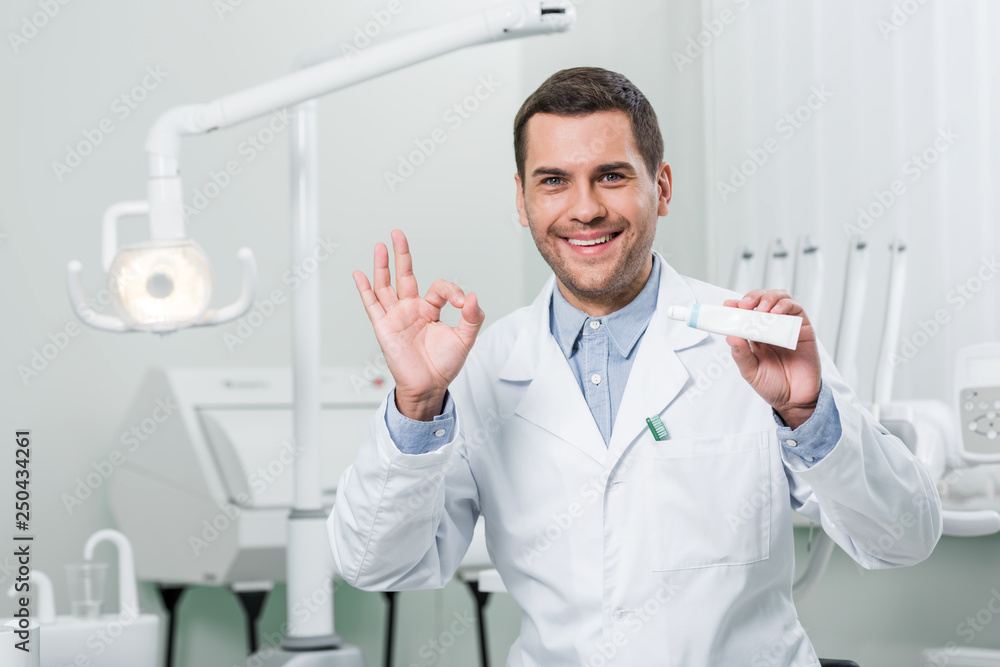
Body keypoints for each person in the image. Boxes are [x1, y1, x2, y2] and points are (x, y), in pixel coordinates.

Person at [328, 67, 942, 666]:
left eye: (611, 176)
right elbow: (378, 564)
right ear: (521, 199)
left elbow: (904, 537)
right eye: (553, 181)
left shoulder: (757, 342)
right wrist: (415, 405)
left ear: (663, 187)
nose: (585, 208)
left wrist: (806, 416)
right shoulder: (483, 369)